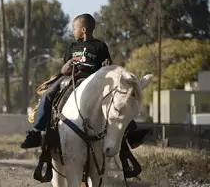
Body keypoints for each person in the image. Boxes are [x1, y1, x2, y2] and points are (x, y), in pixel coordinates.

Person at [20, 13, 152, 149]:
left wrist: (106, 66)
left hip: (95, 81)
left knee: (116, 100)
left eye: (74, 28)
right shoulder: (72, 46)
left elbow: (107, 66)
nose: (72, 32)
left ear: (83, 30)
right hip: (72, 79)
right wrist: (68, 65)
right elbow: (64, 69)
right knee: (48, 93)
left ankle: (131, 133)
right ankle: (37, 132)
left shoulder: (100, 46)